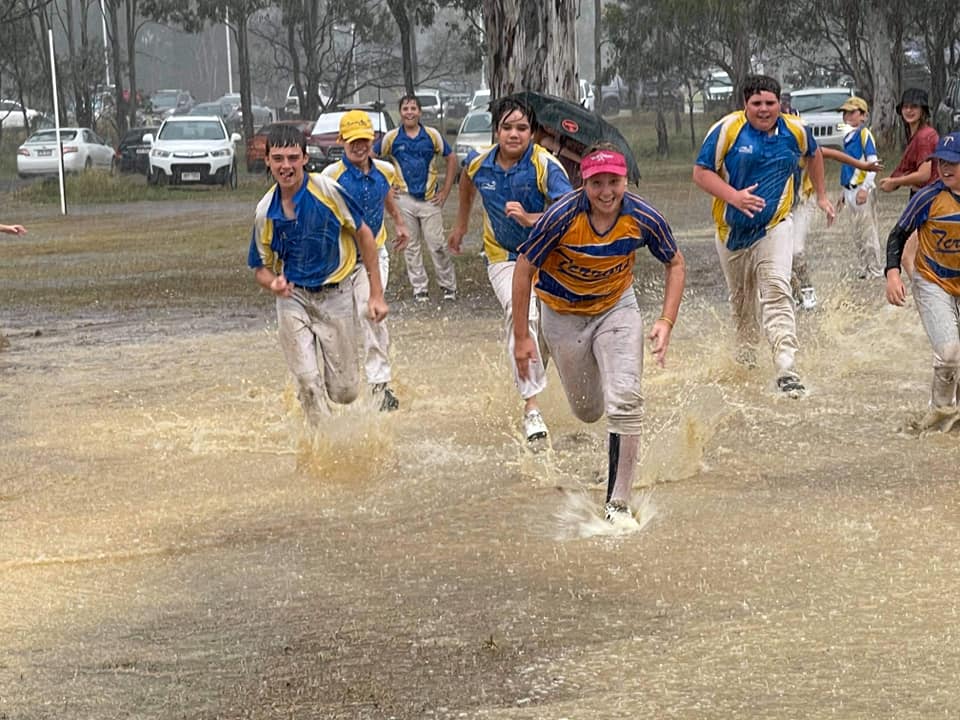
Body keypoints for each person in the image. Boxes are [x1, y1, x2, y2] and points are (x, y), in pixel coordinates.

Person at [512, 146, 685, 522]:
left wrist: (665, 321)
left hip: (616, 308)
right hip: (562, 314)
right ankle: (561, 355)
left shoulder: (642, 216)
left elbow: (675, 262)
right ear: (583, 184)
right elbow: (524, 266)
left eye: (614, 182)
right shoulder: (561, 216)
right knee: (589, 410)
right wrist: (522, 336)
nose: (606, 192)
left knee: (626, 401)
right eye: (597, 184)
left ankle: (618, 503)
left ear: (625, 181)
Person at [692, 74, 836, 398]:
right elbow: (700, 173)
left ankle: (786, 366)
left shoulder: (794, 131)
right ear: (745, 104)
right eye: (756, 103)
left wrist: (823, 196)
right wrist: (734, 196)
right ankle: (746, 357)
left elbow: (815, 154)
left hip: (775, 226)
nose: (764, 109)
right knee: (742, 303)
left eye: (770, 103)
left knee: (776, 289)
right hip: (731, 232)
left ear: (780, 104)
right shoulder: (727, 130)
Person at [448, 97, 573, 441]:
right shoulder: (480, 164)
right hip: (502, 255)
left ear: (532, 133)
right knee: (520, 313)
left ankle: (537, 371)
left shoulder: (544, 165)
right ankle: (531, 408)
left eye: (521, 128)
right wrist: (461, 225)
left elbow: (569, 209)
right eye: (507, 127)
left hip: (547, 254)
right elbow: (466, 183)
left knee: (552, 325)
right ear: (497, 131)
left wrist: (532, 218)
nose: (513, 134)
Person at [247, 124, 387, 426]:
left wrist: (376, 293)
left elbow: (364, 235)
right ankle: (322, 445)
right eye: (279, 159)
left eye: (293, 158)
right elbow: (259, 267)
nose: (286, 166)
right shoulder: (264, 211)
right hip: (293, 299)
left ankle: (330, 396)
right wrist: (275, 282)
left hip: (335, 294)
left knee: (345, 392)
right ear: (268, 161)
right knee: (309, 384)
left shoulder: (327, 190)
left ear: (305, 158)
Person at [322, 110, 410, 412]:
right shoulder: (330, 177)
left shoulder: (384, 169)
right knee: (339, 322)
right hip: (341, 260)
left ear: (372, 139)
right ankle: (335, 381)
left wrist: (398, 221)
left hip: (375, 255)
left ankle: (380, 384)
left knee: (371, 311)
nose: (359, 147)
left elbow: (386, 195)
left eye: (364, 140)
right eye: (353, 141)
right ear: (341, 141)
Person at [884, 131, 960, 432]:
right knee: (951, 352)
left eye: (954, 162)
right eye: (941, 161)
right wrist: (892, 273)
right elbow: (898, 234)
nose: (945, 168)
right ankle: (940, 414)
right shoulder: (929, 197)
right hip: (933, 281)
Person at [374, 95, 458, 302]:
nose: (409, 112)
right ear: (400, 112)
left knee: (437, 245)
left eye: (413, 108)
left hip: (430, 199)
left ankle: (449, 287)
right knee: (411, 246)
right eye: (405, 108)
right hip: (403, 199)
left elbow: (451, 158)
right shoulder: (392, 138)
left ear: (419, 112)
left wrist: (446, 191)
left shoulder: (432, 135)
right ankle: (420, 289)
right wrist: (385, 186)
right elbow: (370, 157)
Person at [879, 88, 939, 281]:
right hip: (922, 200)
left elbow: (924, 174)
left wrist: (896, 181)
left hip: (929, 202)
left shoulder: (924, 137)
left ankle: (932, 296)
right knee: (919, 257)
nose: (909, 110)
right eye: (905, 106)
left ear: (923, 110)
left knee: (907, 255)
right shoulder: (917, 135)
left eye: (914, 106)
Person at [836, 96, 883, 279]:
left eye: (852, 112)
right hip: (849, 190)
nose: (847, 116)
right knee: (857, 232)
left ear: (863, 116)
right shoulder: (848, 137)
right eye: (845, 112)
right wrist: (843, 193)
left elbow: (873, 163)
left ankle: (875, 269)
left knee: (868, 230)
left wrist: (865, 188)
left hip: (861, 189)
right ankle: (865, 266)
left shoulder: (864, 135)